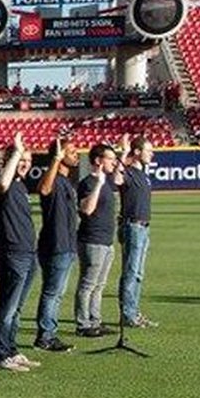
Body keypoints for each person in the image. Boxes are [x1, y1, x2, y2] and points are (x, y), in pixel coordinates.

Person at [0, 137, 40, 372]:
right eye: (21, 159)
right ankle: (1, 353)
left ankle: (11, 348)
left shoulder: (20, 185)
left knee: (16, 308)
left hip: (28, 252)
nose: (25, 164)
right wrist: (17, 151)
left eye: (28, 160)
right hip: (13, 253)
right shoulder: (3, 182)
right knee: (7, 307)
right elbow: (1, 185)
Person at [73, 143, 121, 337]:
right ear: (98, 161)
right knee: (88, 284)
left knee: (99, 285)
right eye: (110, 159)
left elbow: (119, 176)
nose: (114, 162)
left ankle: (95, 320)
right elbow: (86, 209)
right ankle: (83, 324)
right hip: (92, 240)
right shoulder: (88, 183)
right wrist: (100, 184)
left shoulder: (107, 181)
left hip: (106, 241)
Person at [117, 137, 158, 329]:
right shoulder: (129, 172)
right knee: (131, 272)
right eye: (148, 150)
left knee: (138, 273)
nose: (152, 153)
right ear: (137, 152)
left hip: (144, 227)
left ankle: (134, 311)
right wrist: (124, 152)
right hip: (132, 226)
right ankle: (128, 315)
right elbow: (116, 179)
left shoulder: (143, 173)